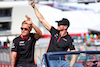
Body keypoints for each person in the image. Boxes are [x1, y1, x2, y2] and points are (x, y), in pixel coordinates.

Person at [30, 1, 84, 67]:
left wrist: (71, 66)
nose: (57, 25)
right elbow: (42, 20)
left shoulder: (68, 39)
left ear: (65, 27)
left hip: (62, 62)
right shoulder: (54, 31)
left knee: (80, 66)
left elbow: (74, 54)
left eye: (60, 24)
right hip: (50, 60)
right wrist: (34, 7)